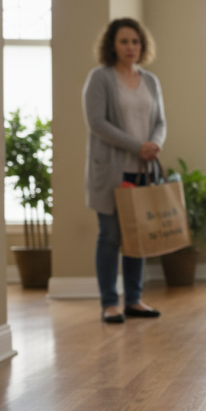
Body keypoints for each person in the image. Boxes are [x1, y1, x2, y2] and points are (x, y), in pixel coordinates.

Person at [82, 18, 166, 324]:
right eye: (124, 41)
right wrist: (136, 145)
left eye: (135, 41)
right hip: (110, 173)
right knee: (110, 236)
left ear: (142, 46)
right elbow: (97, 122)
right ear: (112, 45)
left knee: (138, 236)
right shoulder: (100, 78)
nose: (130, 47)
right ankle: (109, 302)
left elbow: (160, 122)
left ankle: (133, 299)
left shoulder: (150, 81)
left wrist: (153, 144)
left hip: (142, 172)